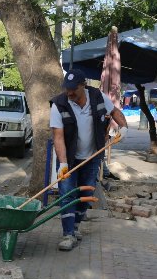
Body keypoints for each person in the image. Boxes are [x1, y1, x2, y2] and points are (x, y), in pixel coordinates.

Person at [50, 69, 128, 251]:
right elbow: (58, 137)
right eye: (66, 89)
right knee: (67, 194)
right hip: (68, 159)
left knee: (85, 196)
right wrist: (62, 164)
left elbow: (115, 112)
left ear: (83, 86)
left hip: (92, 157)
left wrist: (123, 127)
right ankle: (68, 234)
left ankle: (75, 227)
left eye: (73, 89)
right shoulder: (58, 105)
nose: (69, 93)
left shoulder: (97, 96)